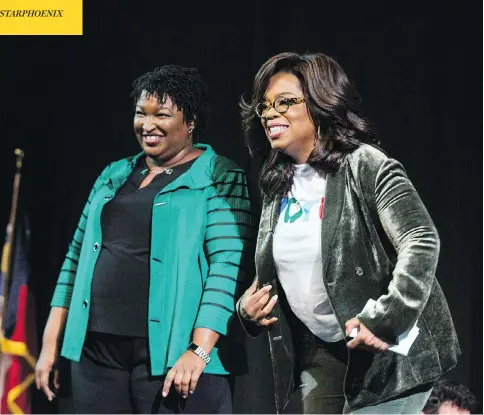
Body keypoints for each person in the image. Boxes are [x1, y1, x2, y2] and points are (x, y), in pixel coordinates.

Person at [237, 51, 460, 414]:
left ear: (321, 104)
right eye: (264, 106)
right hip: (321, 350)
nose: (269, 114)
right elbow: (284, 267)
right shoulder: (277, 183)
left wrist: (388, 318)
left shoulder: (364, 164)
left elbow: (420, 239)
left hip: (387, 352)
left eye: (285, 102)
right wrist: (247, 307)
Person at [35, 65, 255, 413]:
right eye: (141, 113)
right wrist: (50, 344)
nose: (147, 125)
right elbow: (74, 260)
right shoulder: (114, 173)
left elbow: (227, 268)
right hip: (95, 352)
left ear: (191, 120)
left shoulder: (221, 175)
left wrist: (199, 349)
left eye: (162, 115)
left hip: (172, 354)